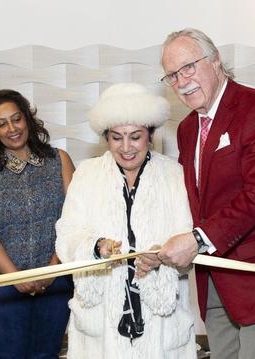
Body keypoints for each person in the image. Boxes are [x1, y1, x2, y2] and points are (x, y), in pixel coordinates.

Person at [147, 28, 255, 359]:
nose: (182, 81)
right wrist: (162, 243)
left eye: (189, 67)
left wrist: (196, 239)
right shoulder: (188, 129)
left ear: (216, 61)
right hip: (215, 282)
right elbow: (196, 202)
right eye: (173, 75)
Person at [55, 83, 196, 358]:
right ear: (106, 137)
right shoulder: (87, 174)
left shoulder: (174, 175)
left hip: (161, 322)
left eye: (135, 136)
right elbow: (67, 233)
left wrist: (162, 256)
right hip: (101, 323)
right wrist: (96, 247)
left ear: (150, 134)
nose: (126, 147)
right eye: (116, 137)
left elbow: (188, 237)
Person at [0, 89, 75, 358]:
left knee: (46, 354)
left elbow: (76, 220)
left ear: (28, 120)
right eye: (1, 123)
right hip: (1, 284)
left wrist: (53, 270)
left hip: (55, 279)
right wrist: (16, 277)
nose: (12, 128)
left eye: (16, 119)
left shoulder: (59, 160)